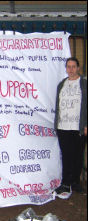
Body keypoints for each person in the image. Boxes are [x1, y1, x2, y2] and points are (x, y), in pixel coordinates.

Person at [54, 57, 87, 199]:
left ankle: (75, 182)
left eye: (74, 66)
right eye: (69, 66)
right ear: (66, 68)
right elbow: (58, 104)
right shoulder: (62, 84)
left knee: (78, 155)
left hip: (78, 127)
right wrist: (57, 124)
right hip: (63, 126)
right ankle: (65, 183)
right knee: (66, 155)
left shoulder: (84, 84)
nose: (71, 69)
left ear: (78, 68)